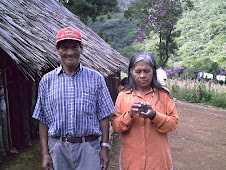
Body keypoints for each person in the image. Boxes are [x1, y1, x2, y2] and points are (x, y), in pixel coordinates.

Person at [32, 27, 115, 170]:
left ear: (81, 49)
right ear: (57, 50)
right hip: (57, 148)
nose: (70, 52)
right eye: (64, 47)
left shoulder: (96, 78)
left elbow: (104, 117)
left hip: (88, 148)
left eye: (74, 47)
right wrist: (45, 153)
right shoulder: (47, 81)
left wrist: (104, 148)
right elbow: (43, 119)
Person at [111, 52, 179, 170]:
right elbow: (116, 126)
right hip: (131, 163)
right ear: (131, 72)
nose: (142, 75)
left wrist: (154, 116)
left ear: (153, 71)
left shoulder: (164, 94)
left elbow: (173, 124)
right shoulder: (123, 95)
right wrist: (129, 115)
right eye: (138, 71)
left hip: (158, 163)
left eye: (146, 71)